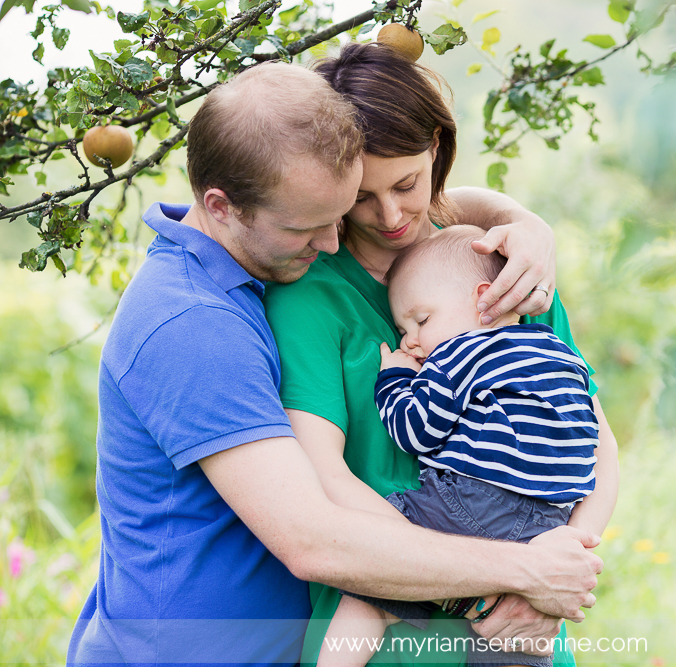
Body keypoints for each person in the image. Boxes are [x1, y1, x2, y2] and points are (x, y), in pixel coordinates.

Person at [67, 61, 603, 667]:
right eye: (314, 225)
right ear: (221, 206)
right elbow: (313, 539)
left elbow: (437, 211)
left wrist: (519, 220)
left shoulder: (271, 266)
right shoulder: (194, 324)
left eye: (337, 216)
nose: (331, 243)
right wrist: (524, 573)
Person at [262, 43, 620, 666]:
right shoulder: (311, 300)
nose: (391, 214)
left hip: (522, 633)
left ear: (436, 147)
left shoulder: (503, 272)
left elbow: (593, 443)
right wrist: (477, 580)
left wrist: (556, 570)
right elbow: (324, 480)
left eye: (406, 183)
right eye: (362, 197)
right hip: (394, 646)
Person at [319, 225, 612, 667]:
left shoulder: (460, 352)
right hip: (549, 524)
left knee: (372, 580)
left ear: (482, 301)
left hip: (473, 502)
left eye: (421, 320)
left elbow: (414, 430)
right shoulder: (560, 354)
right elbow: (589, 441)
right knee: (514, 642)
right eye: (403, 329)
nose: (411, 340)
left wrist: (395, 379)